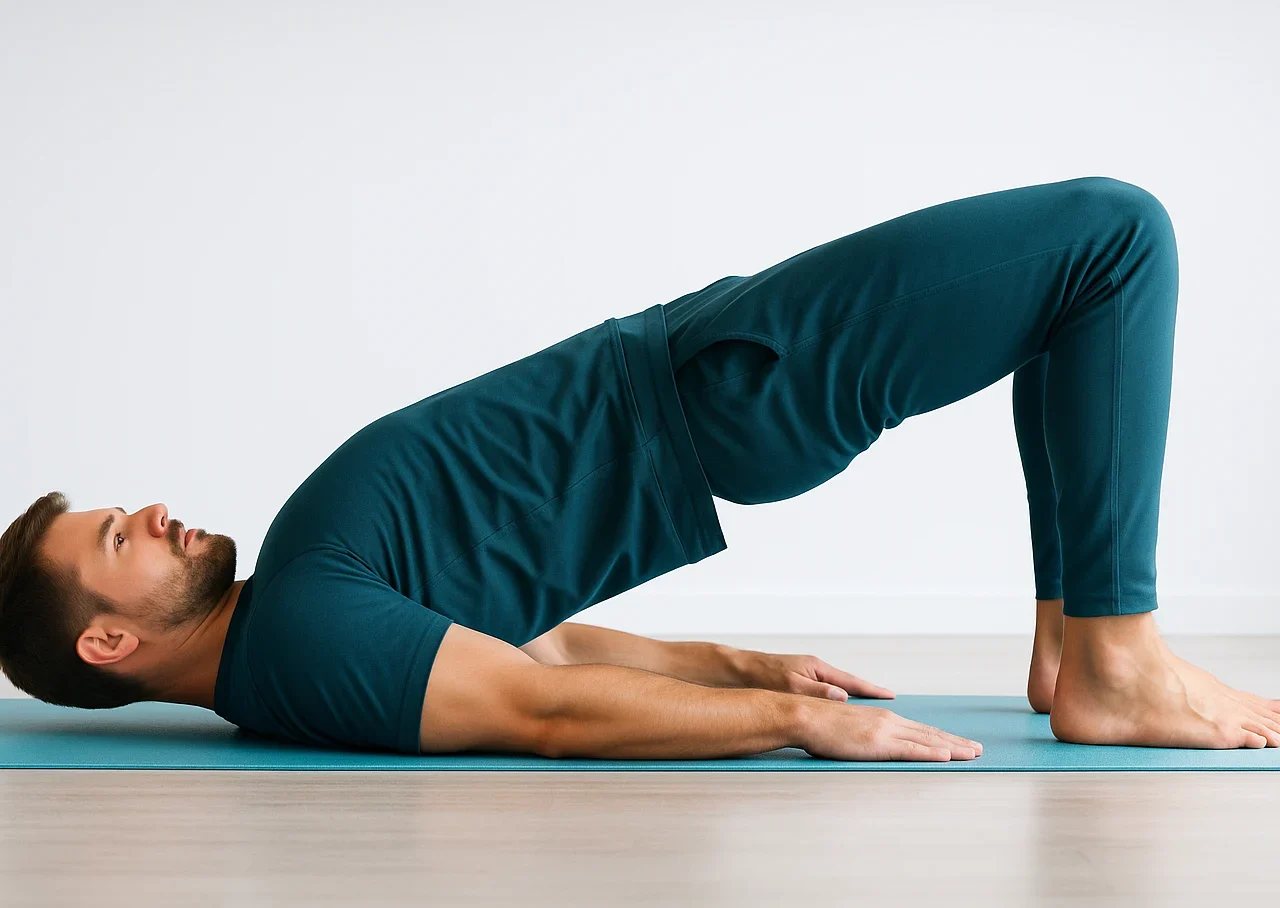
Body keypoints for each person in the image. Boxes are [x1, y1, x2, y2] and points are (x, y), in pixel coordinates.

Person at [2, 176, 1277, 762]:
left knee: (1062, 301)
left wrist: (738, 663)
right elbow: (537, 715)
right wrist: (782, 723)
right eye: (120, 538)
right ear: (108, 643)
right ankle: (1113, 659)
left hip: (707, 380)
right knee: (1112, 238)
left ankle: (1074, 650)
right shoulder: (302, 638)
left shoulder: (295, 633)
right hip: (722, 385)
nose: (154, 513)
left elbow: (533, 649)